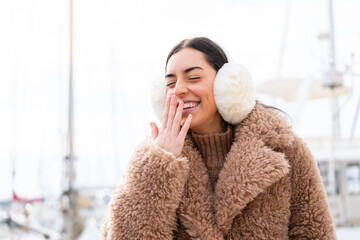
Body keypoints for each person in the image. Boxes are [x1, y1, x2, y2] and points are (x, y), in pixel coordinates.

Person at [100, 37, 336, 239]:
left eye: (193, 78)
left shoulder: (285, 150)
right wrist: (159, 166)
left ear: (228, 85)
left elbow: (316, 232)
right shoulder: (151, 158)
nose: (179, 89)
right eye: (170, 83)